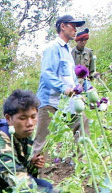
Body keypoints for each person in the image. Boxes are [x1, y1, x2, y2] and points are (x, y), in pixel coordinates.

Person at [34, 14, 86, 157]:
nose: (75, 30)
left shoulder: (68, 52)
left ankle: (83, 166)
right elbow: (46, 74)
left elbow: (72, 78)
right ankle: (32, 177)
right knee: (42, 141)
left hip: (67, 103)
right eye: (73, 26)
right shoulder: (53, 48)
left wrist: (80, 92)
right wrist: (64, 88)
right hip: (50, 102)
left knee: (83, 124)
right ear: (63, 26)